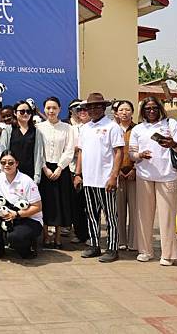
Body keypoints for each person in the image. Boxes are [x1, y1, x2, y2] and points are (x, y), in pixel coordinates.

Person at [129, 97, 177, 266]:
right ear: (143, 111)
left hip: (167, 175)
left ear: (160, 108)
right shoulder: (138, 129)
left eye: (154, 108)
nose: (151, 111)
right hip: (144, 175)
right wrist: (139, 155)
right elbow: (132, 153)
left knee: (167, 217)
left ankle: (168, 254)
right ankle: (145, 250)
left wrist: (173, 143)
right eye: (147, 109)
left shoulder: (171, 124)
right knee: (144, 215)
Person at [74, 93, 124, 263]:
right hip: (88, 180)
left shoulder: (112, 127)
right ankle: (94, 245)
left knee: (110, 216)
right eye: (90, 107)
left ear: (104, 108)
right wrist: (78, 174)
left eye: (97, 106)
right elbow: (80, 152)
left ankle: (112, 248)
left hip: (105, 181)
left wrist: (113, 176)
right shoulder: (85, 128)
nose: (93, 110)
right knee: (91, 215)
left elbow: (119, 152)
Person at [0, 150, 43, 259]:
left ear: (17, 163)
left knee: (14, 236)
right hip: (11, 216)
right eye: (3, 162)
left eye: (10, 162)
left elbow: (38, 207)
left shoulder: (26, 181)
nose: (7, 165)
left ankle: (28, 250)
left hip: (30, 219)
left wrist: (16, 214)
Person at [37, 96, 75, 249]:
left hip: (62, 170)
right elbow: (38, 151)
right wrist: (45, 167)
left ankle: (58, 237)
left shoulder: (68, 128)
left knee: (60, 202)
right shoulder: (39, 127)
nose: (51, 111)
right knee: (45, 202)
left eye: (54, 108)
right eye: (48, 108)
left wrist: (59, 167)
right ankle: (45, 235)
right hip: (44, 169)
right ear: (44, 109)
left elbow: (70, 149)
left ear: (59, 109)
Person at [0, 100, 45, 185]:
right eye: (22, 112)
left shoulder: (36, 132)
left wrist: (37, 176)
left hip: (30, 176)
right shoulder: (8, 130)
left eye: (28, 111)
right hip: (11, 175)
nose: (25, 114)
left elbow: (39, 155)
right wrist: (3, 173)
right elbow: (3, 152)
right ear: (15, 113)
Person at [66, 99, 90, 244]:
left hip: (92, 171)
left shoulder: (94, 127)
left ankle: (91, 235)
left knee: (91, 206)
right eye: (79, 110)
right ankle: (79, 233)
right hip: (73, 170)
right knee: (77, 204)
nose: (81, 112)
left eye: (84, 110)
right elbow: (70, 148)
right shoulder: (71, 129)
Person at [116, 100, 137, 251]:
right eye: (121, 110)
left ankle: (134, 241)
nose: (124, 112)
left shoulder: (138, 129)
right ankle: (120, 240)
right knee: (118, 210)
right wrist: (115, 172)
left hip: (134, 174)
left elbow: (144, 150)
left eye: (127, 110)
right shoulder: (112, 129)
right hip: (116, 174)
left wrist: (134, 169)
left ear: (132, 112)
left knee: (135, 210)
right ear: (116, 113)